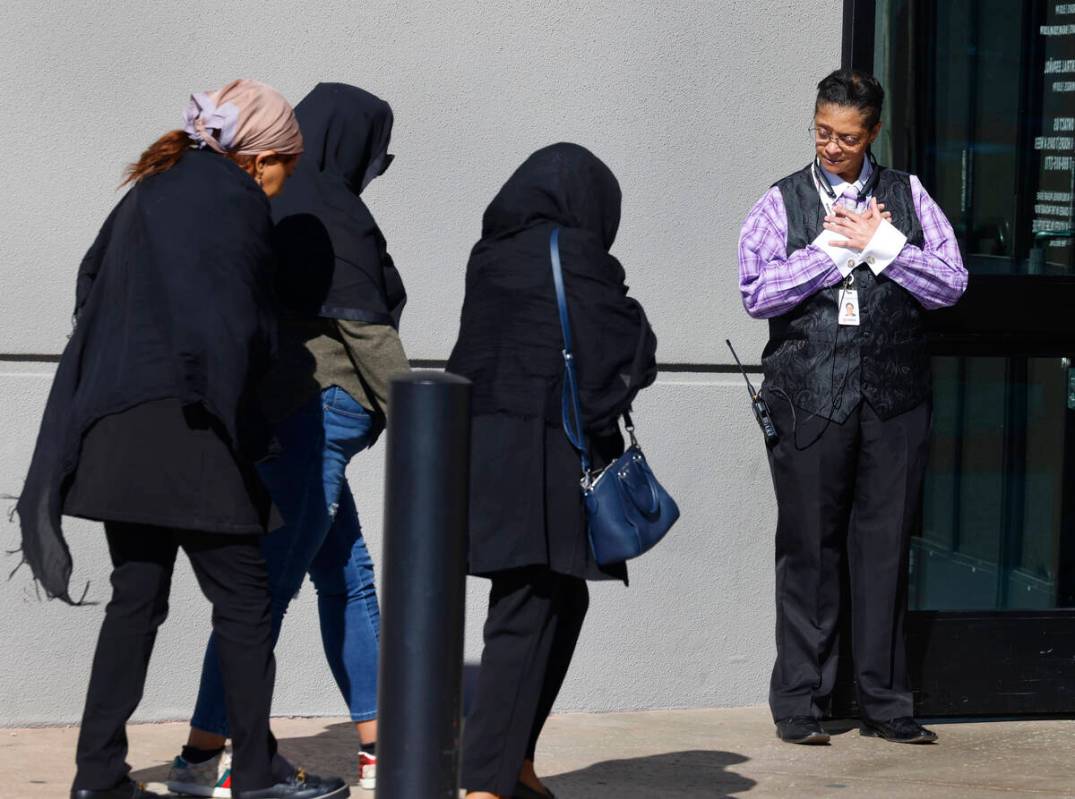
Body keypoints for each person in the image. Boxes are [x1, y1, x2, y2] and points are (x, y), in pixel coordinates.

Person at [15, 79, 348, 799]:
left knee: (136, 598)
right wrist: (250, 412)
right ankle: (256, 772)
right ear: (259, 158)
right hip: (192, 430)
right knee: (246, 599)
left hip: (118, 427)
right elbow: (234, 329)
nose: (282, 181)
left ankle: (96, 775)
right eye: (285, 164)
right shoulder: (234, 206)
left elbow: (91, 285)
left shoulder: (149, 190)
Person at [167, 83, 409, 798]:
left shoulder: (268, 193)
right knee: (264, 591)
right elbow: (366, 328)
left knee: (347, 576)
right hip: (315, 417)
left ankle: (377, 748)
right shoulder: (330, 207)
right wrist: (428, 424)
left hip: (282, 414)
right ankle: (206, 754)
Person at [738, 69, 968, 746]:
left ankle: (884, 701)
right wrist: (828, 252)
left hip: (894, 401)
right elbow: (756, 291)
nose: (831, 147)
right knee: (807, 549)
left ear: (871, 133)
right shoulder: (779, 202)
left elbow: (951, 282)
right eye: (821, 132)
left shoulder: (909, 195)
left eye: (845, 136)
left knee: (883, 549)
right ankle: (801, 703)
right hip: (808, 396)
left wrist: (884, 245)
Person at [447, 143, 657, 799]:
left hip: (483, 450)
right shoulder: (578, 254)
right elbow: (618, 352)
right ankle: (483, 781)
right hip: (543, 454)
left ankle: (513, 759)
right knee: (526, 606)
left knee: (559, 598)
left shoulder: (489, 255)